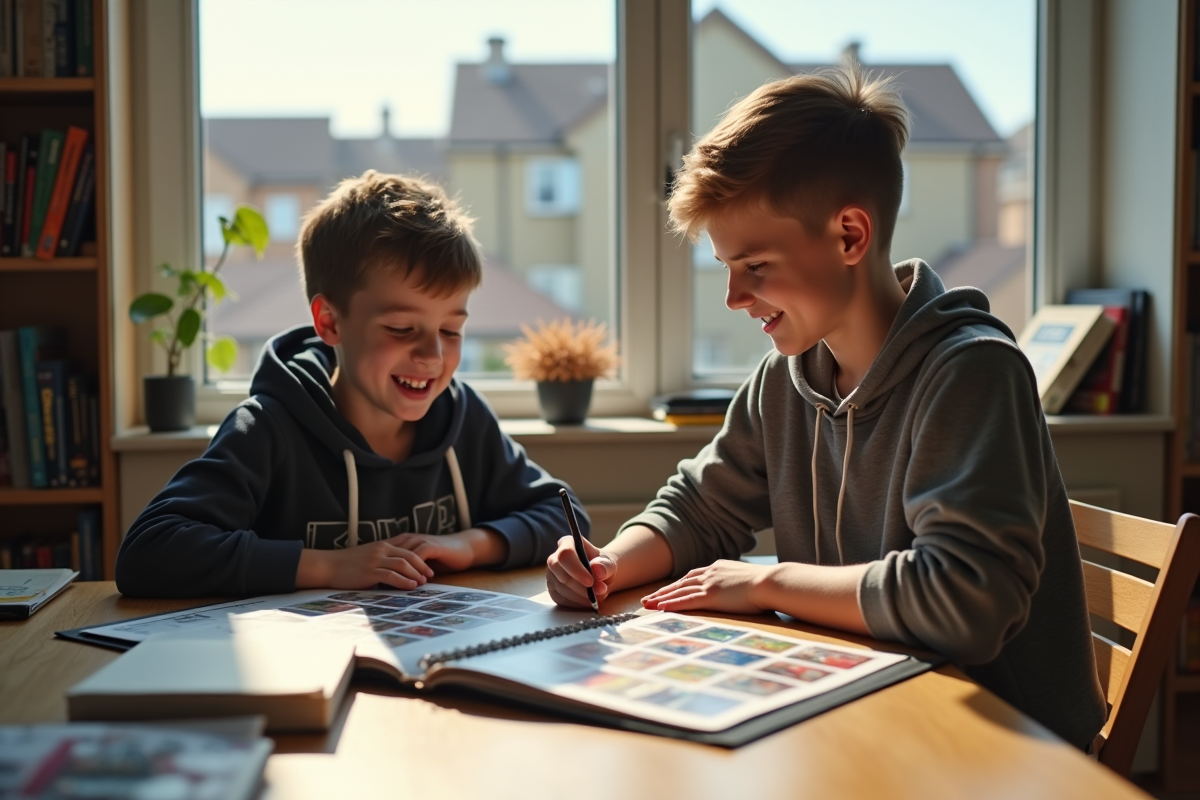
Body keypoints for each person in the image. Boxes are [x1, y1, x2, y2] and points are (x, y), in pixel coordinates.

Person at [546, 64, 1106, 749]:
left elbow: (965, 604)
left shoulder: (971, 372)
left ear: (849, 236)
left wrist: (766, 583)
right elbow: (701, 507)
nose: (733, 298)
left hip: (998, 748)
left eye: (754, 268)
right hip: (865, 712)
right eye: (725, 269)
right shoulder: (785, 377)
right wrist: (610, 564)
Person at [118, 170, 586, 598]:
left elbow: (563, 518)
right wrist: (328, 567)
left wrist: (467, 545)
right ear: (330, 322)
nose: (432, 356)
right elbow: (149, 551)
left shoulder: (463, 417)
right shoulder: (268, 427)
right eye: (402, 329)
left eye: (450, 330)